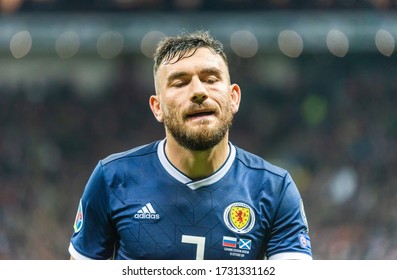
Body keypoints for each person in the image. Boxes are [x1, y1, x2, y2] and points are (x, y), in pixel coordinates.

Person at [68, 30, 312, 260]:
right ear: (157, 107)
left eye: (210, 79)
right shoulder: (112, 179)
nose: (198, 91)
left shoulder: (274, 189)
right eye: (180, 82)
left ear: (234, 98)